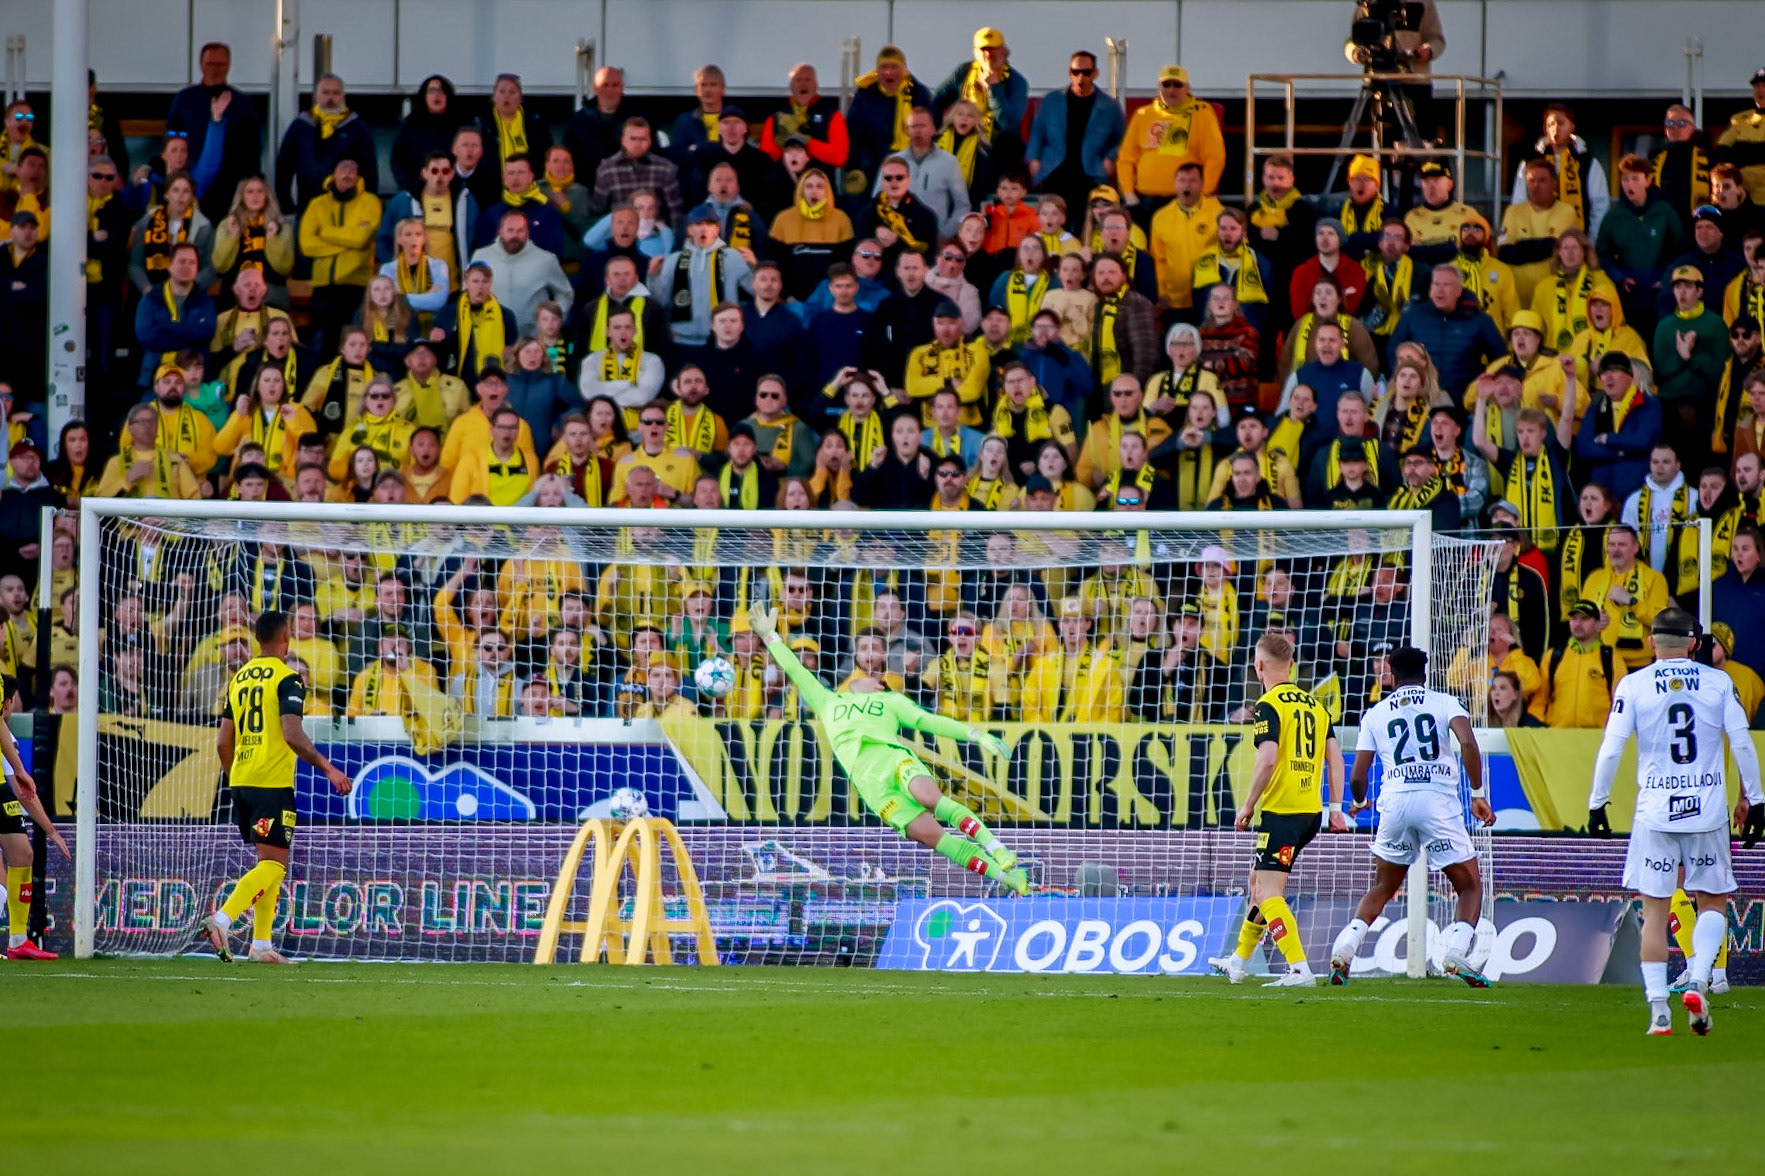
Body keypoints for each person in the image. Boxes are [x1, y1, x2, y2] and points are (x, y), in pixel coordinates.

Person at [747, 599, 1027, 891]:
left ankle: (998, 849)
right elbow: (795, 669)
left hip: (894, 762)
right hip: (874, 789)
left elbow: (929, 721)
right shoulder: (828, 700)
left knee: (931, 799)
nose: (865, 675)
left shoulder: (891, 701)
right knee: (940, 840)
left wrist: (976, 735)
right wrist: (770, 637)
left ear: (880, 679)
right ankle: (1010, 879)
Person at [1586, 607, 1763, 1035]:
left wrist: (1597, 803)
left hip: (1655, 814)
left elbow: (1612, 748)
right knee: (1713, 901)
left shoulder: (1634, 684)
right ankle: (1700, 979)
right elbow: (1741, 740)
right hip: (1705, 812)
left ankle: (1658, 1011)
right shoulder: (1720, 682)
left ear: (1652, 642)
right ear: (1694, 643)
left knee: (1654, 911)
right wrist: (1756, 799)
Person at [1329, 646, 1493, 987]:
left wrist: (1359, 801)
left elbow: (1358, 774)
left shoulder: (1375, 713)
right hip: (1437, 802)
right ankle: (1457, 951)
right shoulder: (1445, 702)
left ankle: (1345, 948)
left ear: (1390, 673)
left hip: (1396, 802)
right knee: (1469, 885)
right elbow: (1468, 744)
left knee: (1384, 886)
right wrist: (1477, 795)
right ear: (1426, 672)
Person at [198, 611, 353, 964]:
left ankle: (262, 945)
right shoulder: (289, 678)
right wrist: (329, 769)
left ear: (257, 638)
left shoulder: (239, 678)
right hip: (271, 782)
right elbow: (292, 734)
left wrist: (237, 776)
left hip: (241, 780)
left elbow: (224, 742)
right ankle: (222, 920)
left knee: (269, 861)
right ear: (286, 637)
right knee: (276, 865)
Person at [1207, 632, 1346, 987]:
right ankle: (1237, 962)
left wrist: (1248, 804)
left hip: (1282, 811)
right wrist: (1335, 808)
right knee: (1257, 884)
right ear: (1293, 666)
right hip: (1310, 811)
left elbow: (1267, 759)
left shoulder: (1268, 704)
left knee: (1269, 893)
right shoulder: (1316, 705)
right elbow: (1335, 759)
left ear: (1259, 666)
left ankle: (1299, 968)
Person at [1024, 51, 1124, 225]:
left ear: (1095, 73)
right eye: (1075, 72)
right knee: (1052, 222)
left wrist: (1110, 158)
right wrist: (1033, 159)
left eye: (1086, 72)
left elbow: (1121, 139)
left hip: (1090, 174)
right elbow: (1037, 133)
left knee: (1084, 223)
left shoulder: (1109, 107)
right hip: (1055, 172)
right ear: (1069, 73)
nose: (1080, 77)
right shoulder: (1052, 101)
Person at [167, 42, 263, 221]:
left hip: (231, 186)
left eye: (221, 64)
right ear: (201, 65)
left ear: (228, 66)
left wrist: (251, 183)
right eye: (211, 64)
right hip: (192, 184)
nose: (216, 69)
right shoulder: (184, 99)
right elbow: (172, 138)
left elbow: (253, 149)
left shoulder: (242, 103)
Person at [298, 157, 383, 358]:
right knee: (322, 345)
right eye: (342, 169)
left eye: (352, 170)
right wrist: (347, 241)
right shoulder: (317, 204)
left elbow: (361, 239)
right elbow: (306, 245)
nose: (347, 174)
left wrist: (325, 232)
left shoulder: (370, 202)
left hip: (357, 284)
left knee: (355, 342)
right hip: (324, 286)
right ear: (333, 174)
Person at [1118, 65, 1225, 209]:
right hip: (1143, 199)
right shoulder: (1143, 114)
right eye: (1166, 84)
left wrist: (1204, 193)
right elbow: (1126, 157)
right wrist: (1128, 193)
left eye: (1177, 85)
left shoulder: (1202, 113)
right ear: (1158, 87)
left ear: (1187, 88)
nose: (1171, 90)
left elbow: (1215, 157)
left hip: (1184, 199)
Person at [275, 74, 378, 213]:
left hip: (347, 209)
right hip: (307, 207)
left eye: (336, 93)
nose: (331, 98)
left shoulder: (358, 127)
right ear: (316, 96)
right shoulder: (301, 125)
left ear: (343, 96)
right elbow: (284, 166)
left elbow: (369, 170)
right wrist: (285, 203)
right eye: (325, 92)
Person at [933, 28, 1031, 169]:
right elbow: (937, 102)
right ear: (975, 52)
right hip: (962, 138)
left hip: (998, 147)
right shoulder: (963, 72)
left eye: (993, 49)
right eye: (983, 50)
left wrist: (994, 87)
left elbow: (1009, 123)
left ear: (1004, 51)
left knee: (1008, 143)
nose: (988, 55)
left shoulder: (1017, 82)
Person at [844, 47, 933, 199]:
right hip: (871, 167)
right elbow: (852, 134)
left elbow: (931, 132)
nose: (888, 73)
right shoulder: (866, 94)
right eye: (884, 67)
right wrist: (854, 169)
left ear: (904, 69)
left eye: (894, 67)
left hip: (911, 166)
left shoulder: (918, 93)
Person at [1511, 103, 1610, 240]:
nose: (1555, 129)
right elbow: (1519, 202)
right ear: (1545, 128)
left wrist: (1591, 242)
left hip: (1576, 243)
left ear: (1572, 127)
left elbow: (1599, 206)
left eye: (1561, 123)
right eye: (1550, 124)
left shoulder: (1587, 162)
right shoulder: (1530, 161)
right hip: (1538, 241)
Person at [467, 209, 573, 332]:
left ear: (527, 233)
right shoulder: (481, 256)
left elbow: (564, 293)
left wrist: (553, 321)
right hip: (491, 335)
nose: (515, 236)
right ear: (500, 232)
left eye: (520, 231)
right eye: (510, 230)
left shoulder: (546, 260)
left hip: (532, 340)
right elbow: (467, 292)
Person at [759, 64, 849, 172]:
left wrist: (806, 141)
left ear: (816, 85)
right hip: (784, 185)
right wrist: (782, 143)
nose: (803, 83)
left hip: (819, 185)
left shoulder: (832, 116)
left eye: (808, 79)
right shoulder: (776, 118)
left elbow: (840, 158)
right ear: (791, 86)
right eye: (798, 80)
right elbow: (764, 159)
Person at [563, 66, 635, 183]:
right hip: (588, 188)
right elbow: (566, 159)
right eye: (605, 85)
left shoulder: (639, 119)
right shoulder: (578, 122)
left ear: (622, 87)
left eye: (615, 85)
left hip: (627, 187)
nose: (610, 90)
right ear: (595, 88)